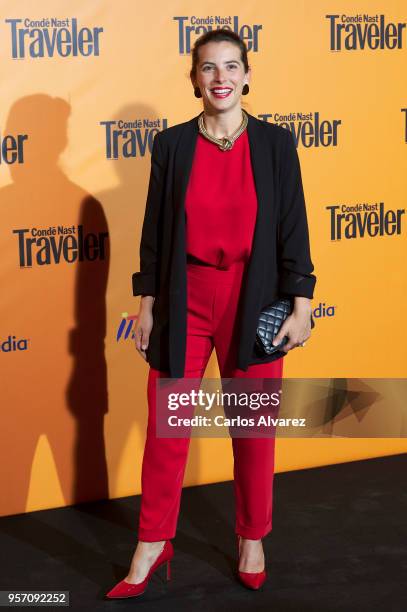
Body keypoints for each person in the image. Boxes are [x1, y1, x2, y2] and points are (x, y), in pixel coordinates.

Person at [106, 28, 316, 599]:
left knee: (252, 430)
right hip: (185, 300)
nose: (220, 77)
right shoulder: (171, 147)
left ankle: (252, 538)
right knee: (167, 429)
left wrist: (302, 303)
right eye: (208, 68)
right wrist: (147, 305)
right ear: (194, 79)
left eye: (230, 66)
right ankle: (152, 542)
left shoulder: (275, 144)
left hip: (254, 302)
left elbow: (292, 224)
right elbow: (154, 233)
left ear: (247, 75)